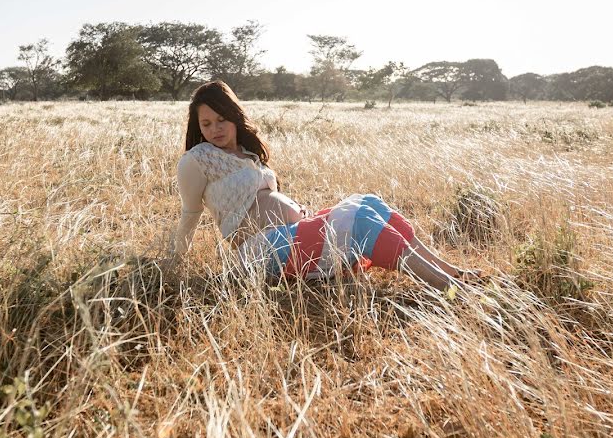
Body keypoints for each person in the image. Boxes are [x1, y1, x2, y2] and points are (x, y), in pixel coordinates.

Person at [168, 80, 482, 289]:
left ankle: (449, 270)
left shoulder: (249, 154)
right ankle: (449, 287)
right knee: (356, 220)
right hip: (258, 253)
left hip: (289, 239)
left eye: (220, 119)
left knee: (368, 202)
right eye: (205, 124)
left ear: (234, 116)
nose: (214, 129)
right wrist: (172, 269)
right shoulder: (197, 160)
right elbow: (189, 216)